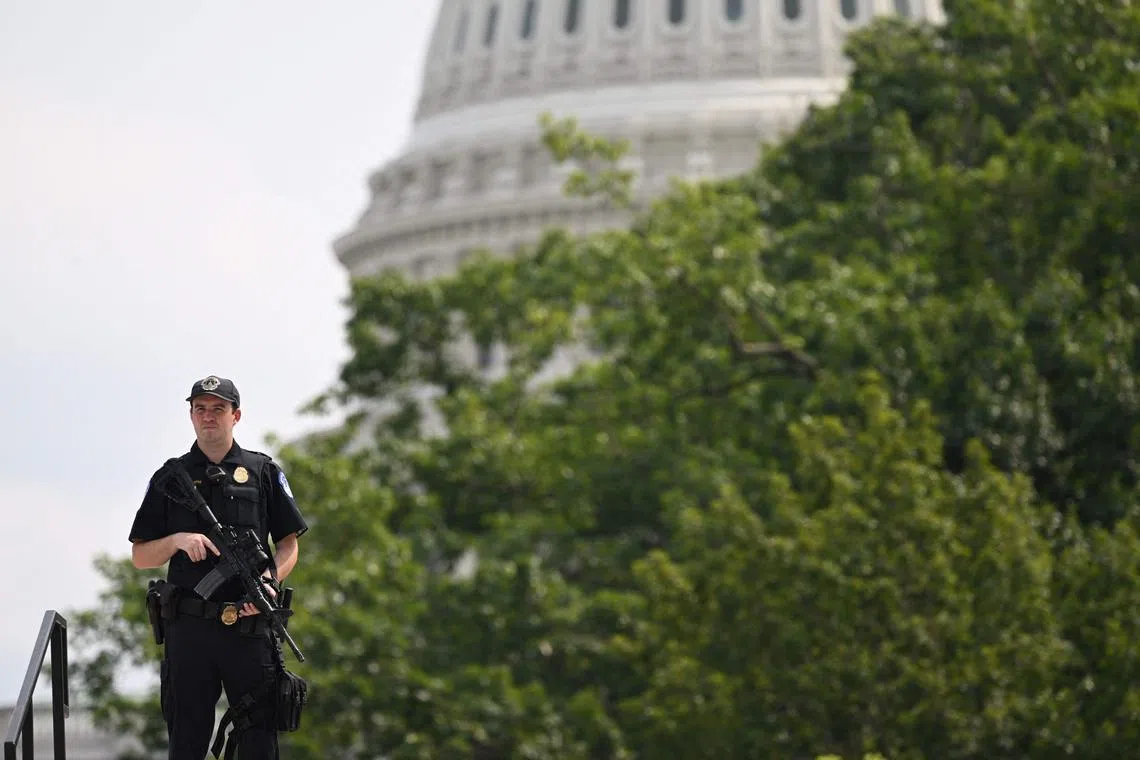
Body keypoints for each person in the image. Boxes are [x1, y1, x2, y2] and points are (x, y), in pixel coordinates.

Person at [130, 375, 309, 759]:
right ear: (191, 416)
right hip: (190, 629)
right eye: (200, 409)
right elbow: (141, 555)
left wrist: (268, 581)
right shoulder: (169, 477)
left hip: (249, 627)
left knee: (259, 738)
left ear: (236, 415)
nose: (208, 417)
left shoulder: (262, 472)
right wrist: (177, 540)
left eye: (218, 409)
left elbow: (289, 544)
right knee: (188, 739)